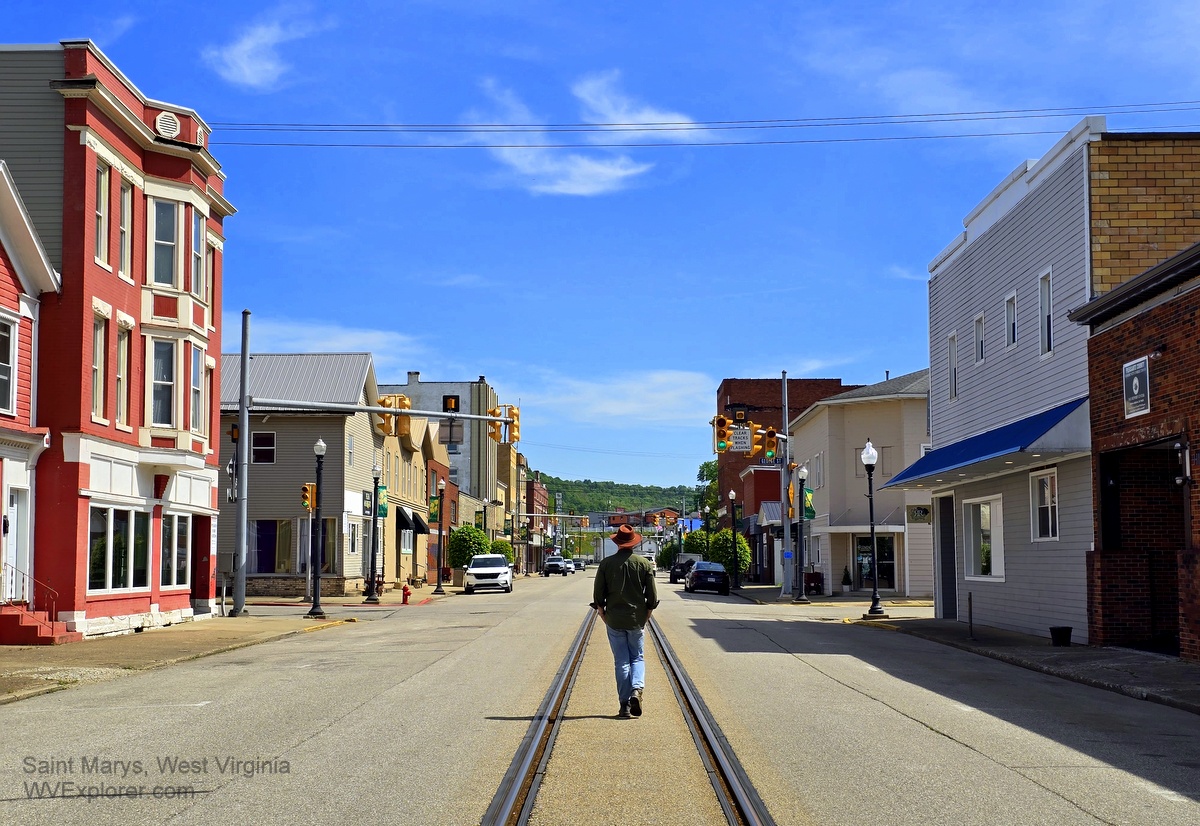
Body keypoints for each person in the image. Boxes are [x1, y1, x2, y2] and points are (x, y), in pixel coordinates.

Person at [592, 524, 659, 719]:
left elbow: (598, 594)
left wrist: (601, 610)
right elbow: (652, 595)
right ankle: (636, 690)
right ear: (634, 543)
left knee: (621, 661)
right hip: (636, 618)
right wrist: (648, 611)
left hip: (614, 619)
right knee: (637, 657)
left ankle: (624, 705)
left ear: (617, 543)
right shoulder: (644, 564)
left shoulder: (606, 564)